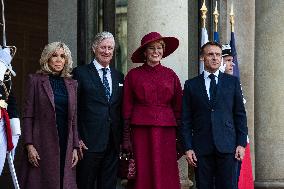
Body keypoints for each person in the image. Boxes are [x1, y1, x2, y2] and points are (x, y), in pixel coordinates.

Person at [180, 41, 248, 189]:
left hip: (228, 147)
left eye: (218, 55)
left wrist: (241, 144)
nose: (215, 58)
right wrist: (188, 147)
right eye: (210, 54)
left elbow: (240, 116)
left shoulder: (233, 83)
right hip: (201, 149)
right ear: (202, 58)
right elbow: (185, 120)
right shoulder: (191, 85)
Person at [122, 31, 182, 189]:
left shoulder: (171, 75)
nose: (156, 52)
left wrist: (181, 138)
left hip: (167, 133)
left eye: (159, 47)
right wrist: (126, 138)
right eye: (151, 48)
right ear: (144, 52)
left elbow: (178, 108)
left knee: (165, 173)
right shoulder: (133, 75)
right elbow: (126, 109)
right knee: (143, 172)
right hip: (141, 132)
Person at [20, 42, 79, 189]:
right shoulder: (35, 80)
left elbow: (74, 119)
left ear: (66, 60)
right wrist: (29, 145)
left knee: (64, 183)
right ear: (47, 58)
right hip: (41, 143)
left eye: (62, 56)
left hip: (66, 141)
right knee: (42, 182)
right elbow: (28, 115)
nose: (59, 60)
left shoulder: (72, 84)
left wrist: (75, 146)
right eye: (54, 56)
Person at [73, 31, 124, 189]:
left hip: (112, 143)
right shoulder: (79, 73)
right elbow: (73, 109)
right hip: (88, 142)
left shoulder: (119, 76)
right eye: (103, 47)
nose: (107, 51)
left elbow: (119, 108)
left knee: (108, 185)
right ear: (94, 48)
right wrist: (77, 138)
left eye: (110, 48)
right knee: (85, 184)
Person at [0, 47, 21, 175]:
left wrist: (14, 129)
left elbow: (9, 97)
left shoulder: (3, 60)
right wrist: (2, 63)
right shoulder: (2, 61)